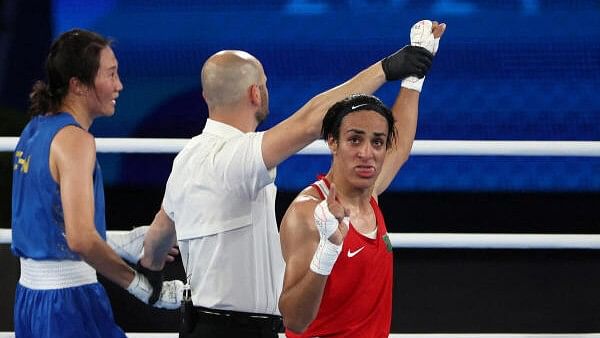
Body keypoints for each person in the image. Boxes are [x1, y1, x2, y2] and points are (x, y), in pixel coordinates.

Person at [140, 24, 435, 338]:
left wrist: (153, 275)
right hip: (240, 329)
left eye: (375, 143)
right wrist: (387, 68)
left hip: (201, 324)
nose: (367, 153)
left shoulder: (187, 158)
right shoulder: (238, 158)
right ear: (256, 93)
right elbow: (310, 120)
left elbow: (157, 237)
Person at [278, 20, 446, 337]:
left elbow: (402, 145)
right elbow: (294, 320)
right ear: (332, 142)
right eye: (355, 140)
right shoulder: (307, 214)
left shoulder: (370, 194)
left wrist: (414, 76)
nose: (367, 153)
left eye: (377, 142)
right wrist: (329, 249)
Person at [11, 28, 183, 338]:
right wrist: (144, 287)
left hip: (31, 299)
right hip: (68, 302)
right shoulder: (76, 141)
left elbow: (50, 227)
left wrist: (120, 243)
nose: (119, 85)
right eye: (111, 74)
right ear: (77, 85)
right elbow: (80, 240)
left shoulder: (34, 130)